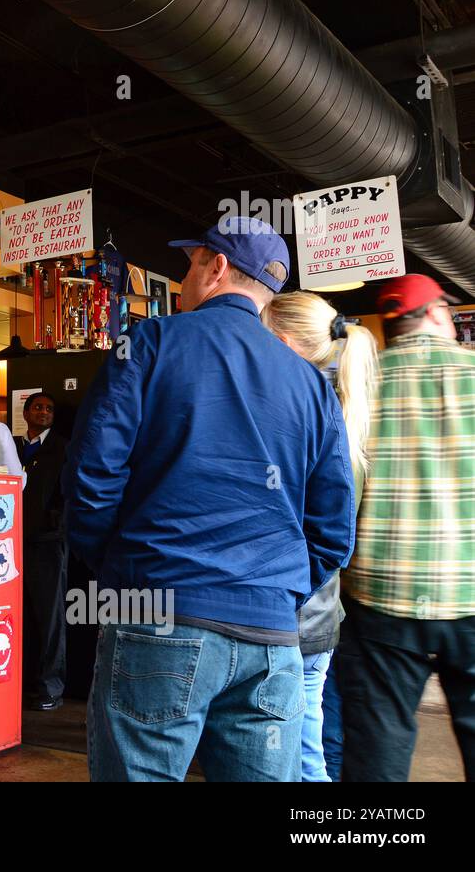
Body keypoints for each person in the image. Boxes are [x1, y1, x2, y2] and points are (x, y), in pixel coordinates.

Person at [64, 216, 355, 782]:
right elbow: (333, 527)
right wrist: (278, 587)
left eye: (190, 264)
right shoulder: (312, 387)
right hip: (272, 636)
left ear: (216, 266)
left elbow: (91, 476)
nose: (183, 281)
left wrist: (126, 569)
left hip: (157, 607)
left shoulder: (148, 344)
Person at [338, 273, 475, 782]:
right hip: (471, 593)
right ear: (440, 313)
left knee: (377, 751)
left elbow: (340, 495)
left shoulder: (359, 385)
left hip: (380, 599)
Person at [263, 291, 379, 782]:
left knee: (283, 755)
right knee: (304, 749)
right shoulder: (343, 423)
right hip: (318, 617)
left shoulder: (302, 425)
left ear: (286, 345)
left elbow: (319, 538)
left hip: (288, 618)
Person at [14, 392, 69, 711]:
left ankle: (51, 688)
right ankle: (20, 684)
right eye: (38, 407)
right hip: (11, 544)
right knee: (20, 618)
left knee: (50, 620)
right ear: (26, 411)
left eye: (49, 408)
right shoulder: (14, 446)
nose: (44, 412)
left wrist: (53, 525)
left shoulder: (62, 447)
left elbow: (68, 493)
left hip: (48, 544)